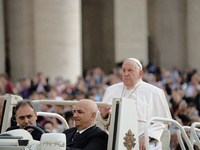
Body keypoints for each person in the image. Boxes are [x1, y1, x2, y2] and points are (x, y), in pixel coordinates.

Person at [98, 58, 172, 150]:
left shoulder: (155, 92)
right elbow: (104, 121)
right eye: (124, 70)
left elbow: (161, 122)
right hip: (113, 138)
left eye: (130, 70)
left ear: (140, 73)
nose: (125, 74)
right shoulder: (111, 90)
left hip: (141, 138)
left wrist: (148, 136)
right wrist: (104, 116)